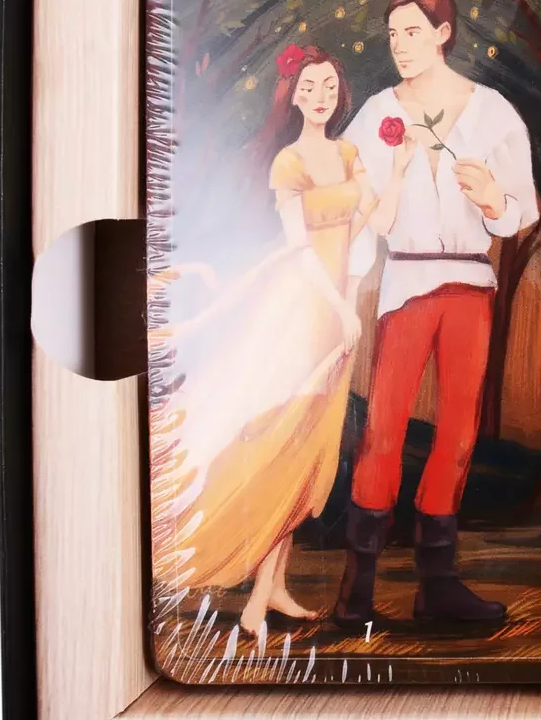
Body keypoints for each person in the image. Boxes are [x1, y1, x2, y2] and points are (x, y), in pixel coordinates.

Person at [149, 45, 413, 637]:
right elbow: (300, 248)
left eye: (329, 87)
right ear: (293, 94)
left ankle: (270, 591)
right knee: (285, 436)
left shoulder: (348, 154)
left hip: (338, 309)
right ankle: (254, 592)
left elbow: (380, 222)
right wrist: (340, 308)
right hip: (301, 306)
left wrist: (399, 169)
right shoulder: (288, 163)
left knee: (310, 447)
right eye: (309, 87)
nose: (320, 97)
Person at [334, 0, 539, 629]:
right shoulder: (376, 114)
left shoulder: (492, 112)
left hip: (470, 286)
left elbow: (521, 210)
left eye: (413, 32)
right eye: (393, 34)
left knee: (457, 432)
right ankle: (357, 590)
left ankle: (438, 586)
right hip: (406, 282)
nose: (400, 45)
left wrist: (492, 199)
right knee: (384, 428)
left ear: (443, 34)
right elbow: (352, 205)